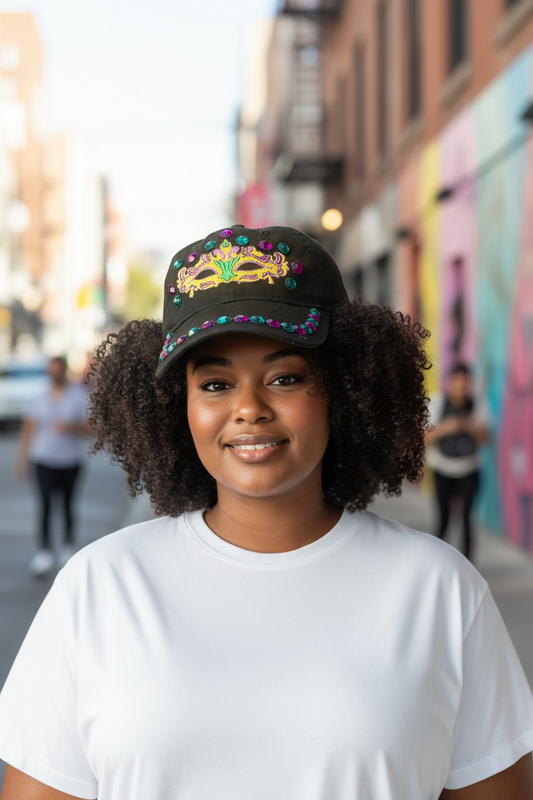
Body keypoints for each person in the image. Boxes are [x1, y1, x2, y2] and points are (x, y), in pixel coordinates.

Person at [0, 225, 532, 800]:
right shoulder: (98, 587)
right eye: (215, 383)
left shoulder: (441, 590)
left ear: (348, 387)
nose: (248, 409)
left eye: (284, 378)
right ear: (178, 405)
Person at [16, 355, 89, 577]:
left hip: (70, 460)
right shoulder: (40, 398)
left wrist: (71, 427)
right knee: (45, 505)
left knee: (67, 505)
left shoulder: (78, 396)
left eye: (57, 369)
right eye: (51, 370)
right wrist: (23, 459)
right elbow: (29, 428)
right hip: (43, 459)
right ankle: (44, 552)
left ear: (64, 371)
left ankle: (67, 547)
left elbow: (91, 428)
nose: (53, 374)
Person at [425, 363, 490, 561]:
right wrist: (448, 427)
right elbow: (424, 436)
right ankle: (437, 563)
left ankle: (469, 568)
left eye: (465, 383)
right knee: (443, 520)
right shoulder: (437, 402)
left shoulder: (478, 404)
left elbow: (487, 437)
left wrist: (471, 427)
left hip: (469, 470)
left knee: (466, 522)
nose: (461, 387)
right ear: (450, 383)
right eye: (457, 382)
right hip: (442, 469)